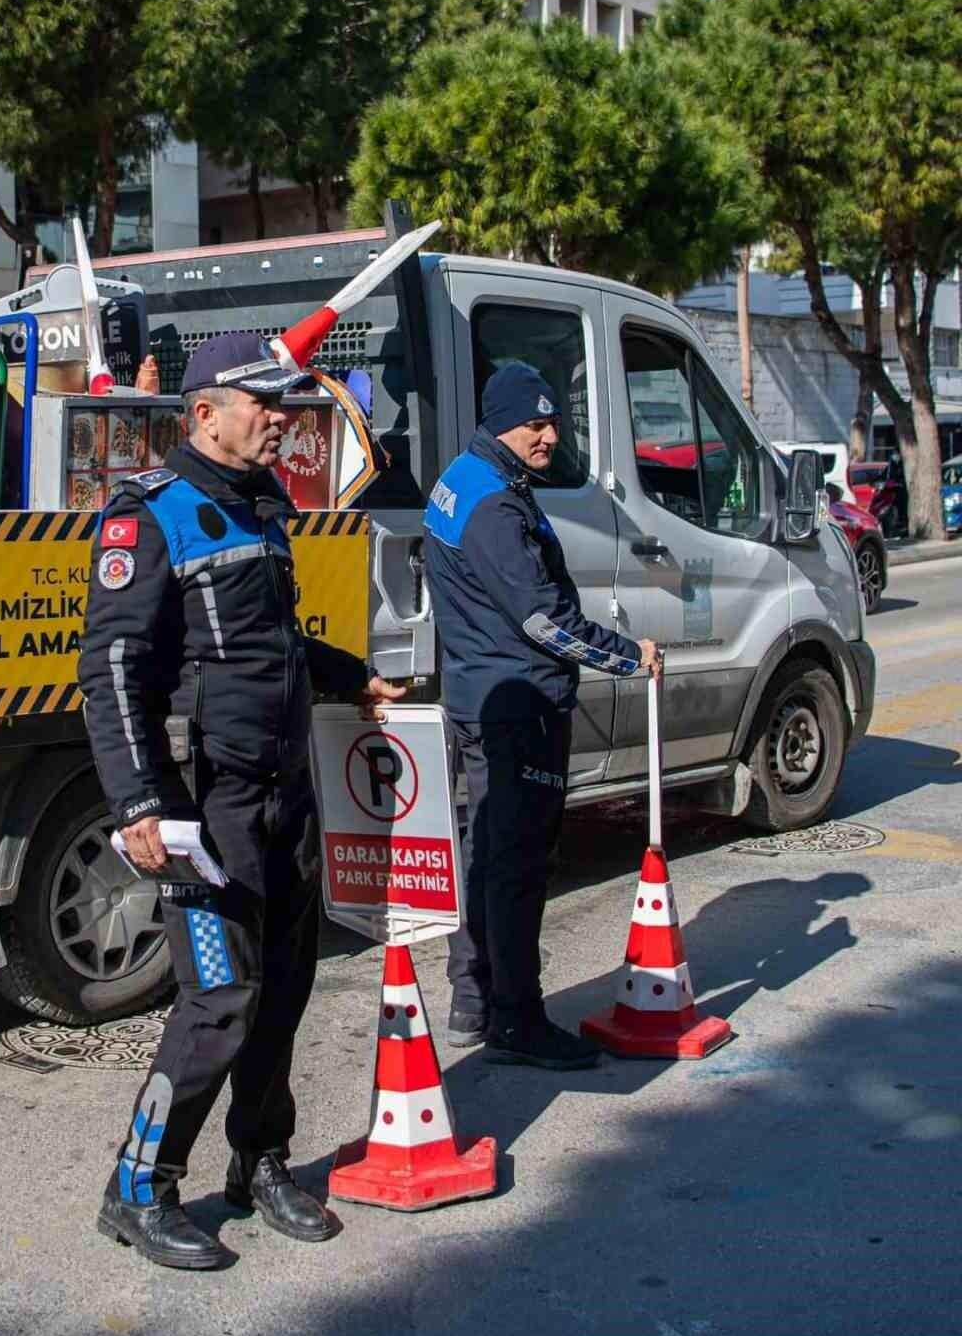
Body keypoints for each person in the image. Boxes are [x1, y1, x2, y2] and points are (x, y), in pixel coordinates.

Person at [79, 331, 402, 1271]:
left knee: (284, 992)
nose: (279, 416)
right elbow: (113, 672)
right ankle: (138, 1186)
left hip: (285, 795)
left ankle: (258, 1162)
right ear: (205, 412)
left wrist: (354, 678)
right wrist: (139, 804)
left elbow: (274, 642)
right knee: (220, 999)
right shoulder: (149, 516)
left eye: (282, 401)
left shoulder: (262, 504)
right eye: (261, 402)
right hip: (203, 806)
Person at [423, 362, 661, 1070]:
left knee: (485, 857)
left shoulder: (462, 479)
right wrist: (628, 656)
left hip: (478, 694)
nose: (550, 435)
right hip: (516, 703)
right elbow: (543, 620)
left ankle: (474, 995)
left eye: (554, 421)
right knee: (517, 866)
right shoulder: (495, 504)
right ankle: (516, 1017)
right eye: (536, 423)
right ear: (502, 422)